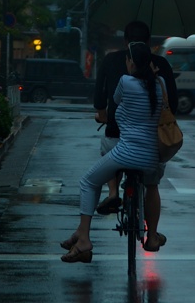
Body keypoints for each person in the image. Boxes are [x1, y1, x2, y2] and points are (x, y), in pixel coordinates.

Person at [60, 40, 163, 263]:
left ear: (131, 62)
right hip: (151, 157)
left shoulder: (125, 81)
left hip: (126, 152)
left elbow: (115, 101)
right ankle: (152, 234)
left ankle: (84, 238)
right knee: (151, 186)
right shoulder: (159, 84)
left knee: (88, 182)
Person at [92, 20, 178, 249]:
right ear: (149, 42)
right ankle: (153, 236)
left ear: (125, 41)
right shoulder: (161, 65)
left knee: (108, 149)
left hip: (116, 136)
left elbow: (100, 100)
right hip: (151, 143)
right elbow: (173, 104)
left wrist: (104, 116)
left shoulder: (111, 61)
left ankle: (113, 192)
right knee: (152, 185)